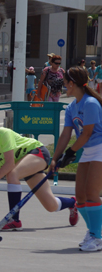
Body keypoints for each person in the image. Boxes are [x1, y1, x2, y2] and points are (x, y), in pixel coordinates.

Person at [0, 119, 77, 231]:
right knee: (51, 206)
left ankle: (14, 220)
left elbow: (9, 164)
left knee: (12, 174)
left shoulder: (2, 134)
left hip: (37, 153)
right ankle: (72, 203)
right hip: (25, 166)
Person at [51, 66, 102, 251]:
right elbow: (65, 134)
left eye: (65, 84)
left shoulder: (90, 103)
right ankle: (94, 230)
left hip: (100, 148)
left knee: (91, 193)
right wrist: (55, 159)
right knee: (80, 196)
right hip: (88, 150)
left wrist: (70, 153)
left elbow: (87, 133)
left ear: (72, 84)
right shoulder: (72, 106)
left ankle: (97, 236)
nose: (64, 87)